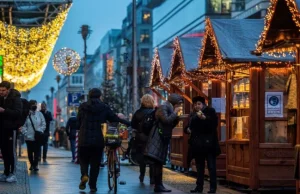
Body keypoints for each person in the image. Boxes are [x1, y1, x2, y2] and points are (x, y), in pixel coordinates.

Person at [77, 88, 130, 193]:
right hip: (98, 140)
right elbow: (114, 118)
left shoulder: (82, 107)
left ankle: (84, 175)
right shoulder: (104, 107)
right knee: (95, 164)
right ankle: (93, 186)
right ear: (100, 96)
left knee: (83, 160)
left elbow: (78, 123)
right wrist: (128, 122)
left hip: (84, 139)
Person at [144, 93, 183, 192]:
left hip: (162, 136)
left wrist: (177, 118)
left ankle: (159, 185)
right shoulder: (164, 107)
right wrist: (175, 113)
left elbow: (170, 123)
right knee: (157, 161)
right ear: (174, 102)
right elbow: (166, 120)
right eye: (178, 104)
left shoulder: (167, 107)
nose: (179, 106)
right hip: (158, 137)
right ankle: (158, 185)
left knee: (159, 162)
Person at [185, 96, 220, 194]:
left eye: (199, 104)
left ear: (203, 104)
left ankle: (213, 188)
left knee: (211, 167)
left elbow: (213, 125)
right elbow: (188, 126)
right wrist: (187, 130)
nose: (197, 106)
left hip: (209, 145)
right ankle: (199, 187)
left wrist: (205, 118)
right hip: (198, 145)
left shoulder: (210, 111)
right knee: (199, 167)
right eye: (195, 104)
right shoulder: (193, 114)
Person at [0, 81, 22, 183]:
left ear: (8, 90)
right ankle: (6, 172)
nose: (1, 92)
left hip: (11, 129)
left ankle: (13, 173)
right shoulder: (1, 98)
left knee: (10, 152)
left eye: (3, 90)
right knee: (4, 152)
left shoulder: (15, 99)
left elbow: (18, 113)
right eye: (0, 90)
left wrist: (4, 111)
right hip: (2, 128)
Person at [131, 94, 155, 184]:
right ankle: (152, 178)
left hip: (140, 138)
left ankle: (141, 175)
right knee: (152, 157)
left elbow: (133, 125)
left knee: (142, 158)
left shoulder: (138, 112)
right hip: (152, 138)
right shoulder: (154, 112)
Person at [22, 100, 46, 171]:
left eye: (35, 104)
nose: (34, 106)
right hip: (29, 137)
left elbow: (43, 124)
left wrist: (40, 131)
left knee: (37, 151)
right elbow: (23, 126)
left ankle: (35, 165)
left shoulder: (39, 114)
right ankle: (31, 164)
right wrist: (26, 133)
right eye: (33, 104)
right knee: (30, 152)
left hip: (37, 136)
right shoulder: (27, 115)